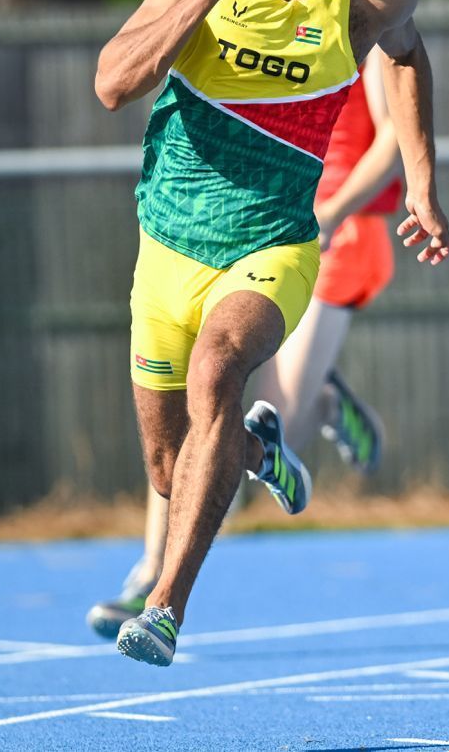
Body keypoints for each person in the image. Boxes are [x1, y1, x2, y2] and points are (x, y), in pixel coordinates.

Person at [91, 0, 449, 667]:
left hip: (277, 243)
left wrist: (426, 185)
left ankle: (166, 609)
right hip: (168, 248)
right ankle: (260, 451)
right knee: (169, 469)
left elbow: (406, 57)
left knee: (220, 367)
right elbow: (113, 83)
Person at [86, 47, 404, 643]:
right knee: (198, 417)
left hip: (329, 227)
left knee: (264, 413)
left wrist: (333, 212)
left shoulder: (361, 12)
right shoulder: (248, 7)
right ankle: (150, 568)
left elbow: (394, 139)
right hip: (248, 223)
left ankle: (323, 405)